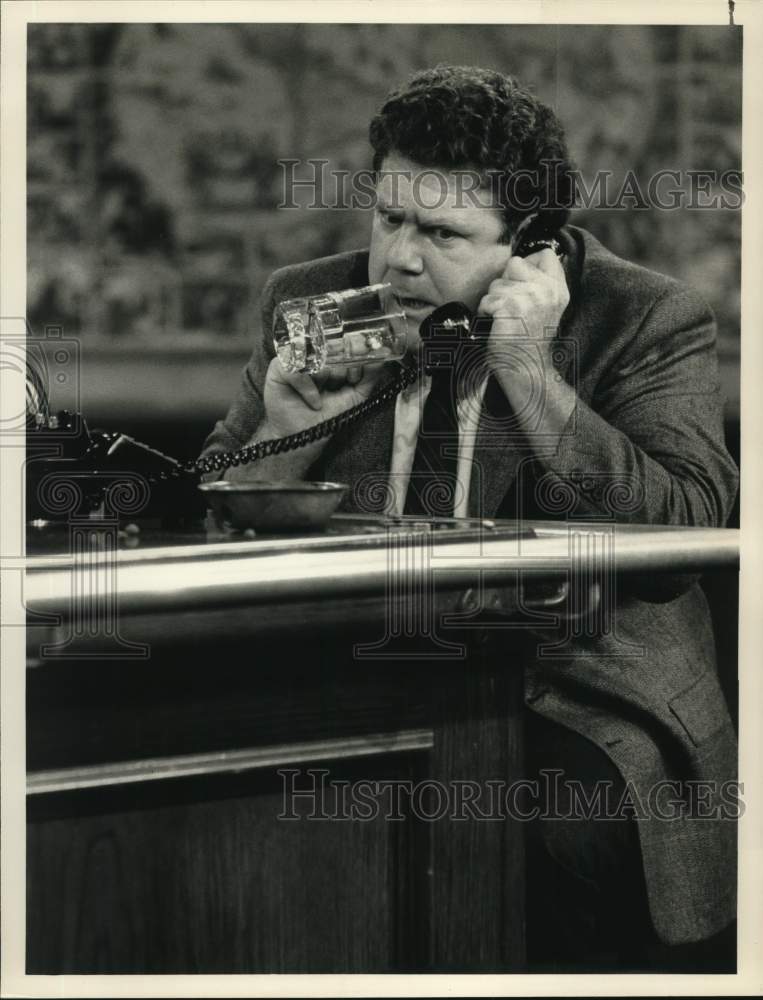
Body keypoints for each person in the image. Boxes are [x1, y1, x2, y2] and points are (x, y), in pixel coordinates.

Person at [200, 66, 739, 971]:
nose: (399, 260)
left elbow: (680, 535)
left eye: (443, 233)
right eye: (389, 217)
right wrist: (289, 430)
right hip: (355, 682)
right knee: (220, 812)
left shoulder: (643, 318)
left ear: (530, 246)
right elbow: (215, 526)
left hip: (574, 697)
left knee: (529, 835)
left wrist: (528, 372)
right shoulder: (315, 302)